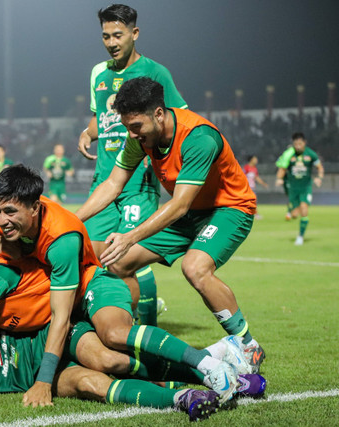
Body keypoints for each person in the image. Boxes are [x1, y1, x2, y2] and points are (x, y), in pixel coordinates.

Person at [0, 169, 243, 405]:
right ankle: (204, 371)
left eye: (10, 213)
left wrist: (44, 381)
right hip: (61, 302)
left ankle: (206, 362)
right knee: (108, 365)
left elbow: (60, 317)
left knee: (114, 338)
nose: (2, 221)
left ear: (35, 207)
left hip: (89, 286)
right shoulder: (1, 227)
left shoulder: (60, 240)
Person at [75, 77, 265, 374]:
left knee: (195, 268)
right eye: (127, 126)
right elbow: (113, 183)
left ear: (159, 114)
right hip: (190, 212)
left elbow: (178, 205)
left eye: (136, 126)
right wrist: (72, 220)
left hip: (228, 208)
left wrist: (128, 236)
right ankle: (131, 337)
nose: (131, 134)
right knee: (119, 262)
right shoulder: (140, 138)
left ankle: (248, 345)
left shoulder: (198, 137)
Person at [0, 311, 263, 419]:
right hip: (43, 380)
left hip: (53, 337)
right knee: (92, 384)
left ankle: (210, 364)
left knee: (111, 359)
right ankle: (187, 396)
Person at [77, 4, 188, 327]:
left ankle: (146, 327)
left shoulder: (155, 72)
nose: (111, 42)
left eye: (118, 35)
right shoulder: (99, 74)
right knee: (100, 257)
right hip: (105, 179)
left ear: (134, 34)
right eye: (106, 36)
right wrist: (87, 132)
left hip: (139, 178)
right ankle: (130, 320)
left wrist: (171, 165)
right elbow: (102, 118)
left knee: (125, 256)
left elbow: (180, 117)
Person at [275, 132, 324, 245]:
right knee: (294, 215)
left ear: (304, 143)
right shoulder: (289, 154)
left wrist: (319, 178)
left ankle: (300, 237)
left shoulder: (311, 154)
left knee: (304, 209)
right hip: (293, 189)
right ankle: (291, 211)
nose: (298, 146)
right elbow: (282, 169)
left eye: (300, 144)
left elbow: (320, 167)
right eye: (295, 144)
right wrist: (279, 178)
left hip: (306, 187)